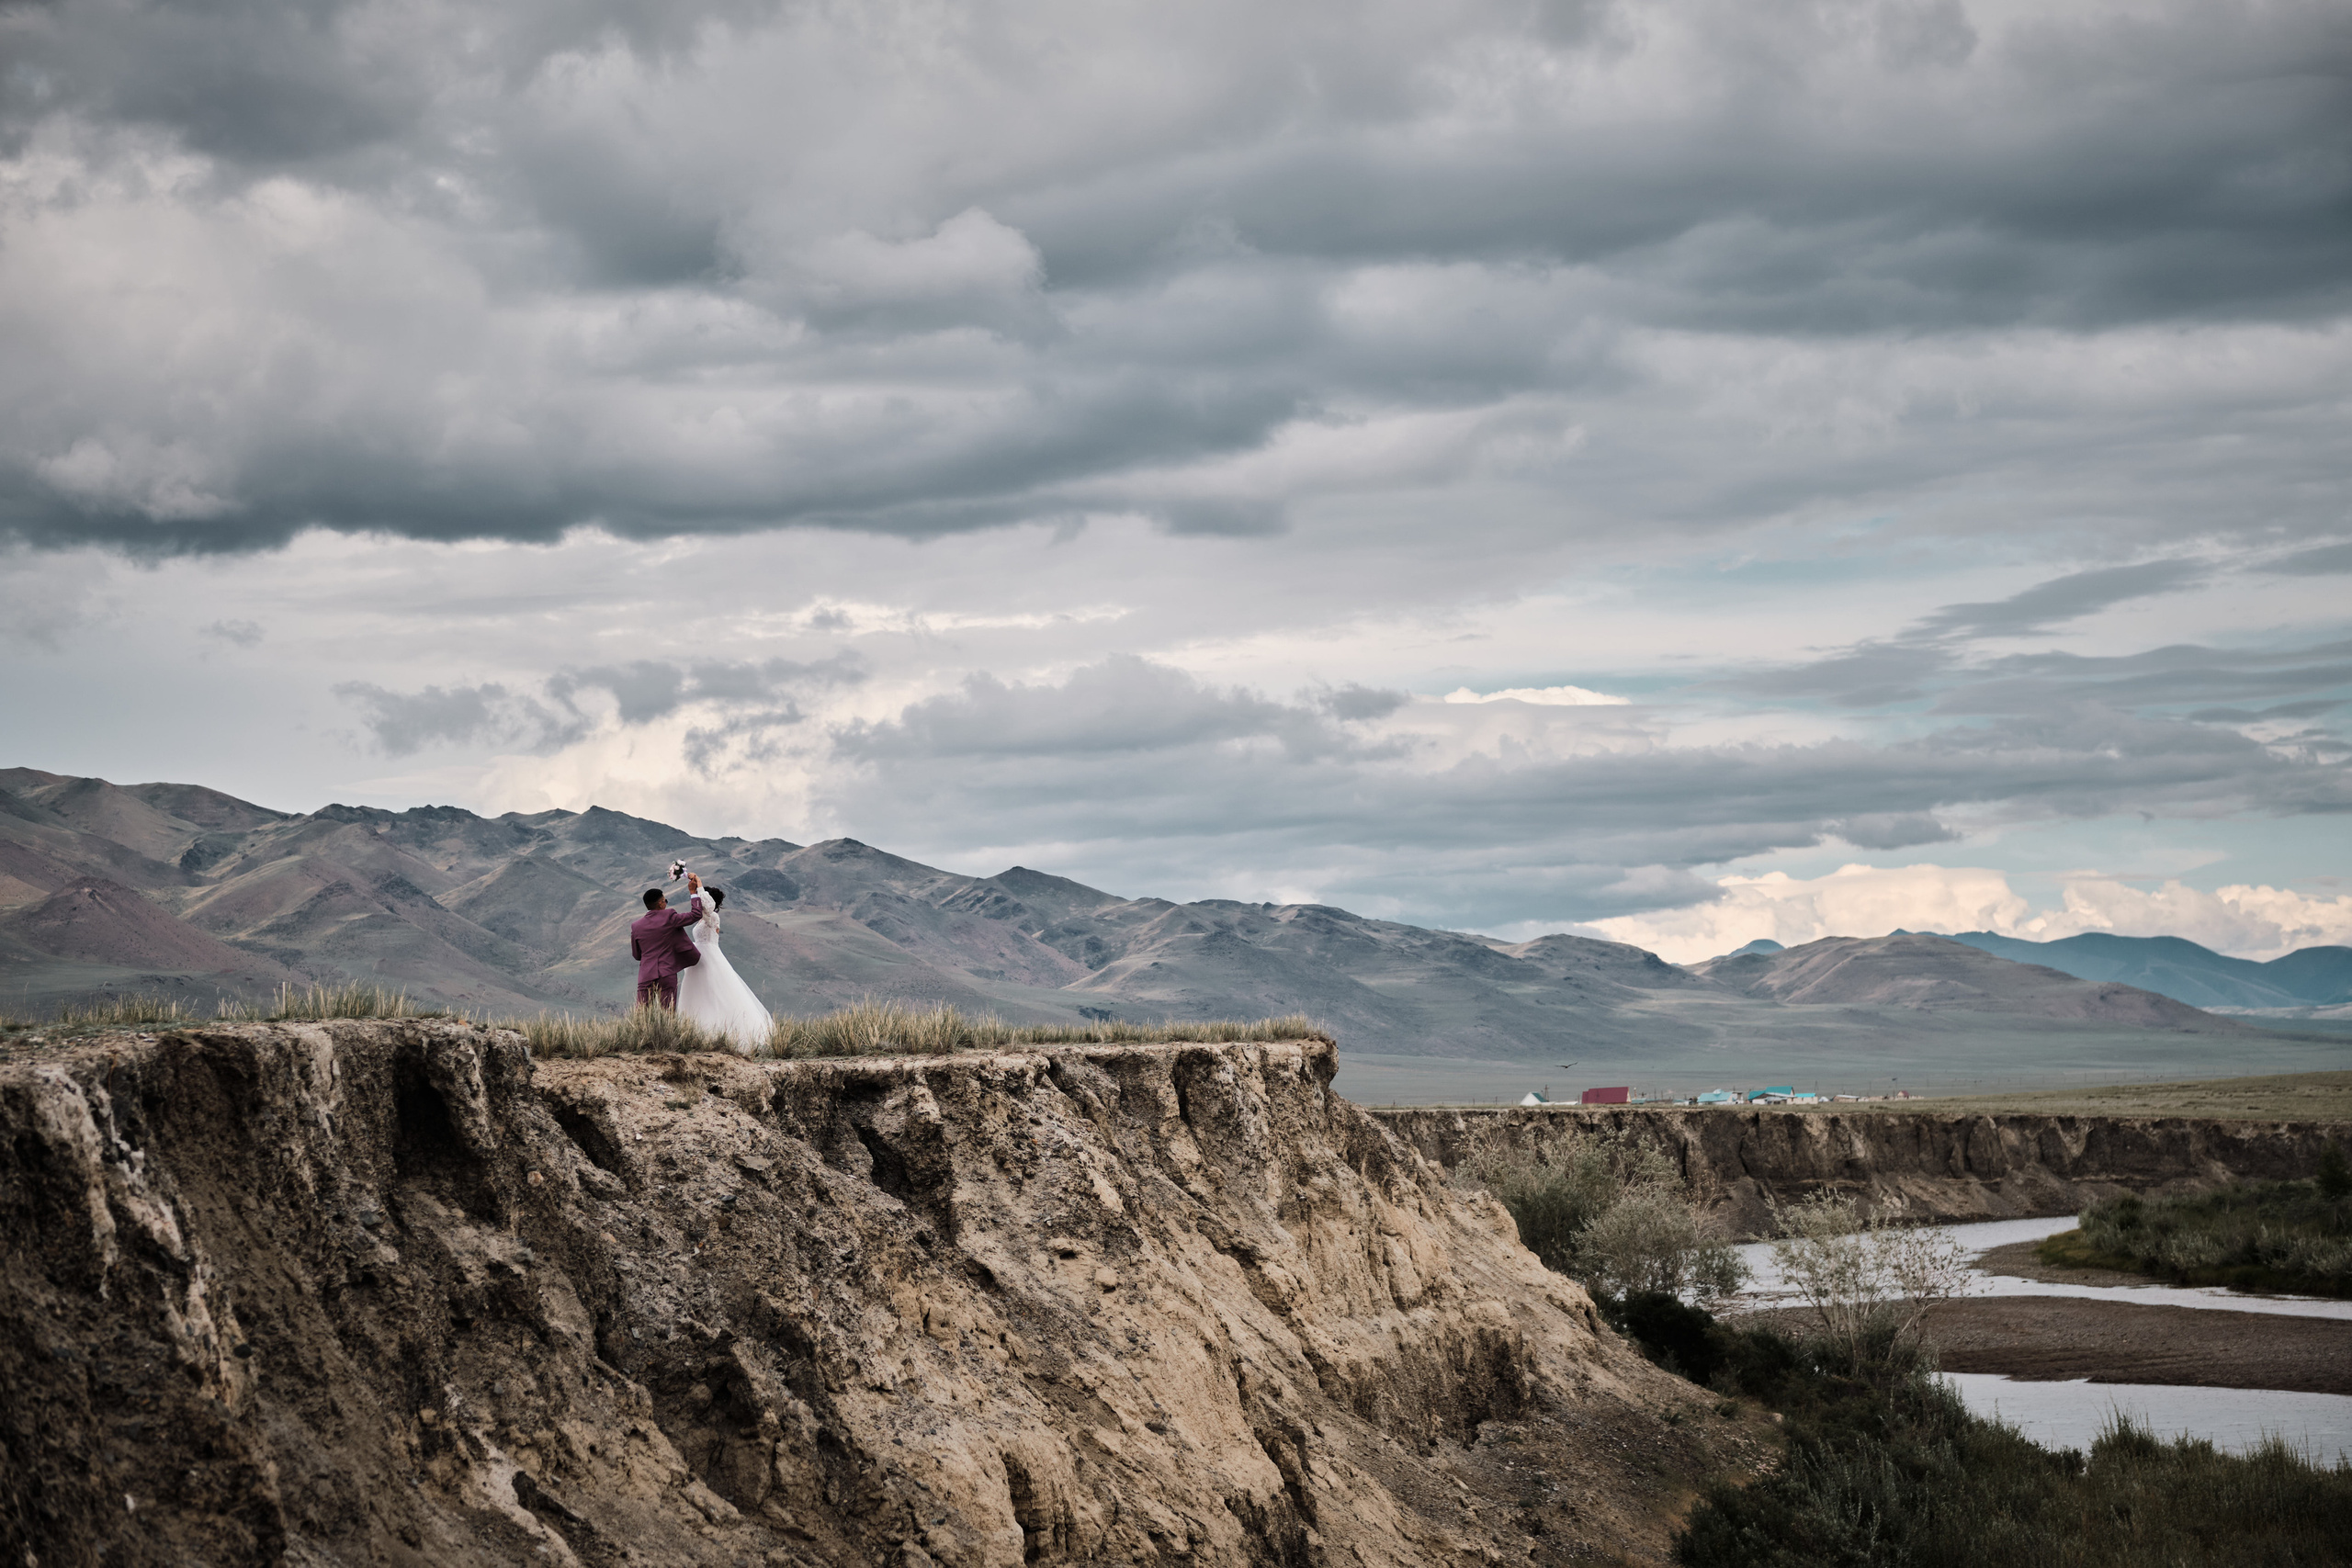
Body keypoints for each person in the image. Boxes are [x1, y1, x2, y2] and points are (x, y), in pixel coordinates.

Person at [675, 884, 773, 1055]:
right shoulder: (702, 917)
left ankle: (723, 1034)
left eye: (702, 898)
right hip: (698, 958)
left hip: (708, 957)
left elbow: (707, 907)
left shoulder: (712, 917)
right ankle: (697, 1033)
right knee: (699, 995)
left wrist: (697, 885)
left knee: (715, 993)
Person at [630, 873, 704, 1010]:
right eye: (665, 900)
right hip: (667, 972)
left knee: (641, 1015)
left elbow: (637, 955)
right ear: (660, 904)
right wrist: (693, 892)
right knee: (668, 1014)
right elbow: (696, 914)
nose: (666, 903)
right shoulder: (669, 916)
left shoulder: (636, 926)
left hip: (646, 974)